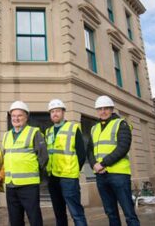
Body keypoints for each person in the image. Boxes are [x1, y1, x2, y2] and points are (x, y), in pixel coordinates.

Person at [87, 95, 140, 226]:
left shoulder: (121, 124)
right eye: (99, 109)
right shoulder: (94, 128)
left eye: (106, 108)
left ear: (111, 109)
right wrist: (94, 164)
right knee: (110, 212)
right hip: (101, 176)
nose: (102, 111)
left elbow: (123, 147)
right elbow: (90, 150)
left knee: (129, 213)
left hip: (119, 175)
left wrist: (103, 163)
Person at [2, 100, 48, 226]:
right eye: (13, 116)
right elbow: (5, 157)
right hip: (11, 184)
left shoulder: (34, 132)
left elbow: (43, 157)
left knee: (34, 217)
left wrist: (33, 171)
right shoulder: (6, 135)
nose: (16, 118)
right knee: (15, 219)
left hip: (29, 185)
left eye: (20, 115)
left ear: (26, 117)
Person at [45, 99, 88, 226]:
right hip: (53, 178)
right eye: (52, 111)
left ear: (63, 112)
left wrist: (73, 169)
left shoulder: (73, 128)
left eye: (57, 111)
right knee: (59, 214)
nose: (55, 114)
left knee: (76, 213)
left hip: (68, 177)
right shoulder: (48, 132)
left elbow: (81, 154)